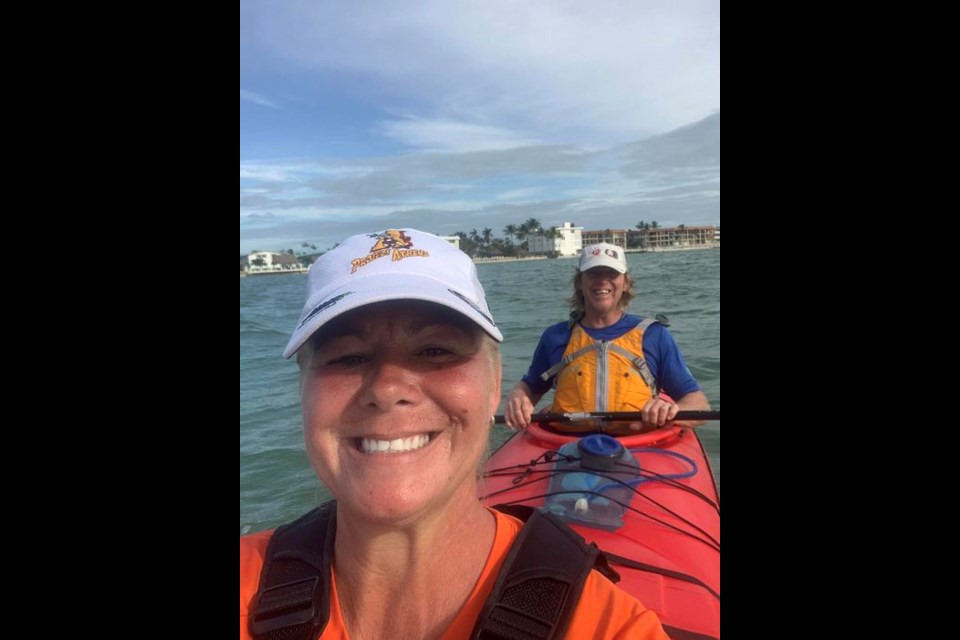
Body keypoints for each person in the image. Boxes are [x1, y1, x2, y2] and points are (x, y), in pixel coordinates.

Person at [239, 229, 669, 640]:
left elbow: (690, 398)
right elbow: (533, 384)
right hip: (564, 439)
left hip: (629, 444)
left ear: (491, 382)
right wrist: (524, 396)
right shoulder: (558, 338)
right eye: (347, 357)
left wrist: (666, 409)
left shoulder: (609, 625)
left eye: (435, 350)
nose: (387, 389)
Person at [505, 242, 710, 432]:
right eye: (594, 273)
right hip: (566, 446)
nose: (603, 280)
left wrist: (671, 412)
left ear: (625, 282)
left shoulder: (654, 335)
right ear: (580, 282)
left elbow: (698, 403)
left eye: (612, 273)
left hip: (637, 444)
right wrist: (518, 395)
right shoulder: (555, 336)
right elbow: (530, 388)